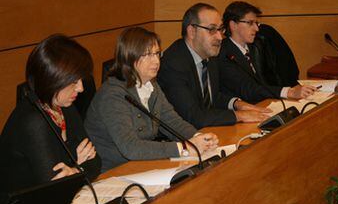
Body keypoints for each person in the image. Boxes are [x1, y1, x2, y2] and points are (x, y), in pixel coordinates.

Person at [85, 27, 218, 172]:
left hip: (142, 167)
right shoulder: (112, 95)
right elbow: (131, 147)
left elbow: (172, 122)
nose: (156, 61)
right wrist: (185, 147)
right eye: (148, 55)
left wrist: (200, 138)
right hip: (113, 174)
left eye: (157, 53)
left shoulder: (150, 85)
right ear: (130, 56)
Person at [0, 34, 101, 194]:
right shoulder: (33, 122)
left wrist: (75, 170)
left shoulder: (65, 106)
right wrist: (79, 167)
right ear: (53, 79)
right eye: (74, 81)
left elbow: (95, 163)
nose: (81, 88)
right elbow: (54, 188)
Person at [158, 3, 270, 129]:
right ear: (192, 31)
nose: (220, 37)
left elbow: (212, 97)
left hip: (207, 131)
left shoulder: (209, 55)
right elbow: (193, 116)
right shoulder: (173, 64)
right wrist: (239, 116)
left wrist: (237, 104)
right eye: (212, 30)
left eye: (220, 29)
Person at [220, 1, 316, 102]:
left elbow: (268, 81)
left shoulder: (256, 46)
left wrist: (293, 89)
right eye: (250, 23)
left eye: (256, 23)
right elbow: (248, 89)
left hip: (267, 101)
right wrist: (288, 92)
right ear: (233, 25)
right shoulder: (224, 53)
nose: (256, 28)